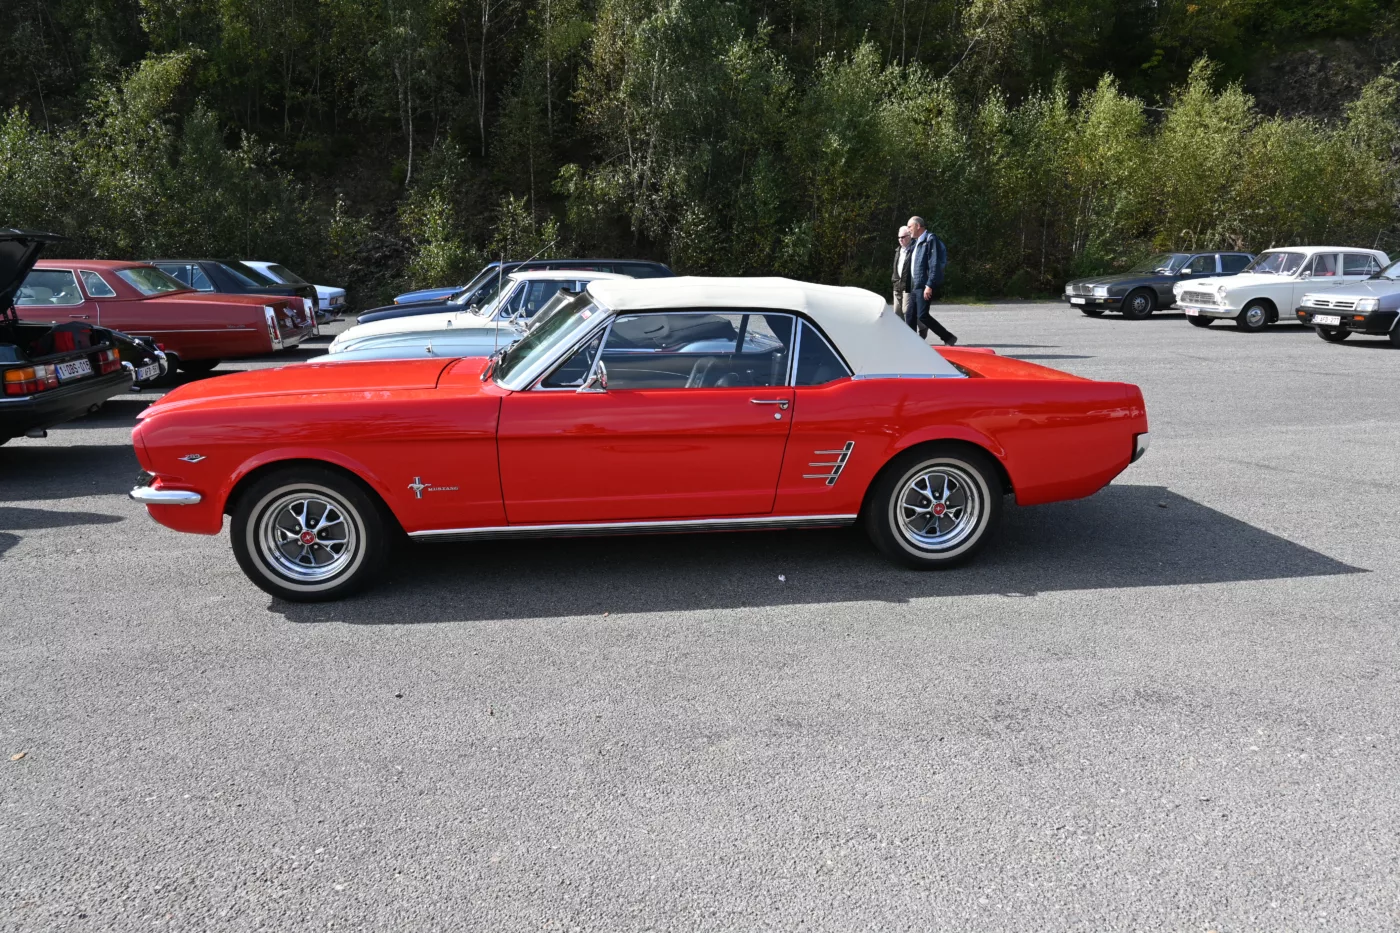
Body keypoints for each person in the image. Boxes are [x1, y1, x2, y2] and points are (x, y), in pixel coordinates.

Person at [906, 215, 957, 345]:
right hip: (915, 285)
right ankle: (911, 342)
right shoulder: (916, 242)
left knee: (922, 315)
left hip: (924, 285)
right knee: (910, 315)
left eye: (910, 226)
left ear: (918, 226)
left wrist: (929, 285)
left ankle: (948, 337)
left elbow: (934, 264)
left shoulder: (930, 240)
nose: (908, 229)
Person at [891, 225, 914, 323]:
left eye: (903, 237)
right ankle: (902, 331)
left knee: (907, 310)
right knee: (896, 312)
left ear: (909, 236)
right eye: (899, 237)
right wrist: (894, 280)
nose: (900, 239)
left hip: (908, 285)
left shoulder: (914, 249)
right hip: (897, 284)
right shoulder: (898, 250)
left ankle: (921, 326)